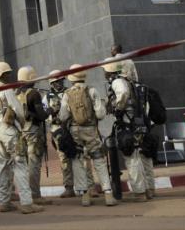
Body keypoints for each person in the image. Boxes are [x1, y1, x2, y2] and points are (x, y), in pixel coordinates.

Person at [0, 61, 43, 214]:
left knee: (3, 166)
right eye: (7, 73)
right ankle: (26, 203)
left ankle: (5, 202)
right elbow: (18, 110)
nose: (10, 75)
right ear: (2, 75)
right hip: (9, 130)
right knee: (20, 165)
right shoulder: (6, 89)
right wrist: (22, 125)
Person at [59, 64, 117, 207]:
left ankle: (85, 196)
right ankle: (108, 193)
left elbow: (63, 116)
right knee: (99, 160)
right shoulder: (92, 90)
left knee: (78, 162)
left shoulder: (67, 94)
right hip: (91, 130)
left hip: (75, 131)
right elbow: (101, 114)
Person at [105, 60, 156, 202]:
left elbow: (123, 93)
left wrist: (118, 108)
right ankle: (150, 189)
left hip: (128, 125)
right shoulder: (136, 84)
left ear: (110, 71)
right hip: (142, 125)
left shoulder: (118, 82)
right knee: (145, 157)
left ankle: (140, 192)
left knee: (133, 158)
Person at [16, 66, 51, 205]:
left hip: (21, 132)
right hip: (34, 133)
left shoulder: (16, 93)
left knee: (23, 165)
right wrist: (50, 111)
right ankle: (35, 195)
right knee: (34, 165)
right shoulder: (34, 94)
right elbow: (41, 115)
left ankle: (26, 194)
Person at [45, 70, 82, 198]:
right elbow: (45, 114)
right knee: (64, 159)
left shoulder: (70, 92)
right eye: (55, 82)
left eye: (59, 81)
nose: (57, 84)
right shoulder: (48, 97)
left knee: (80, 156)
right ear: (51, 84)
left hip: (72, 127)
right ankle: (69, 187)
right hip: (57, 130)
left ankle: (86, 186)